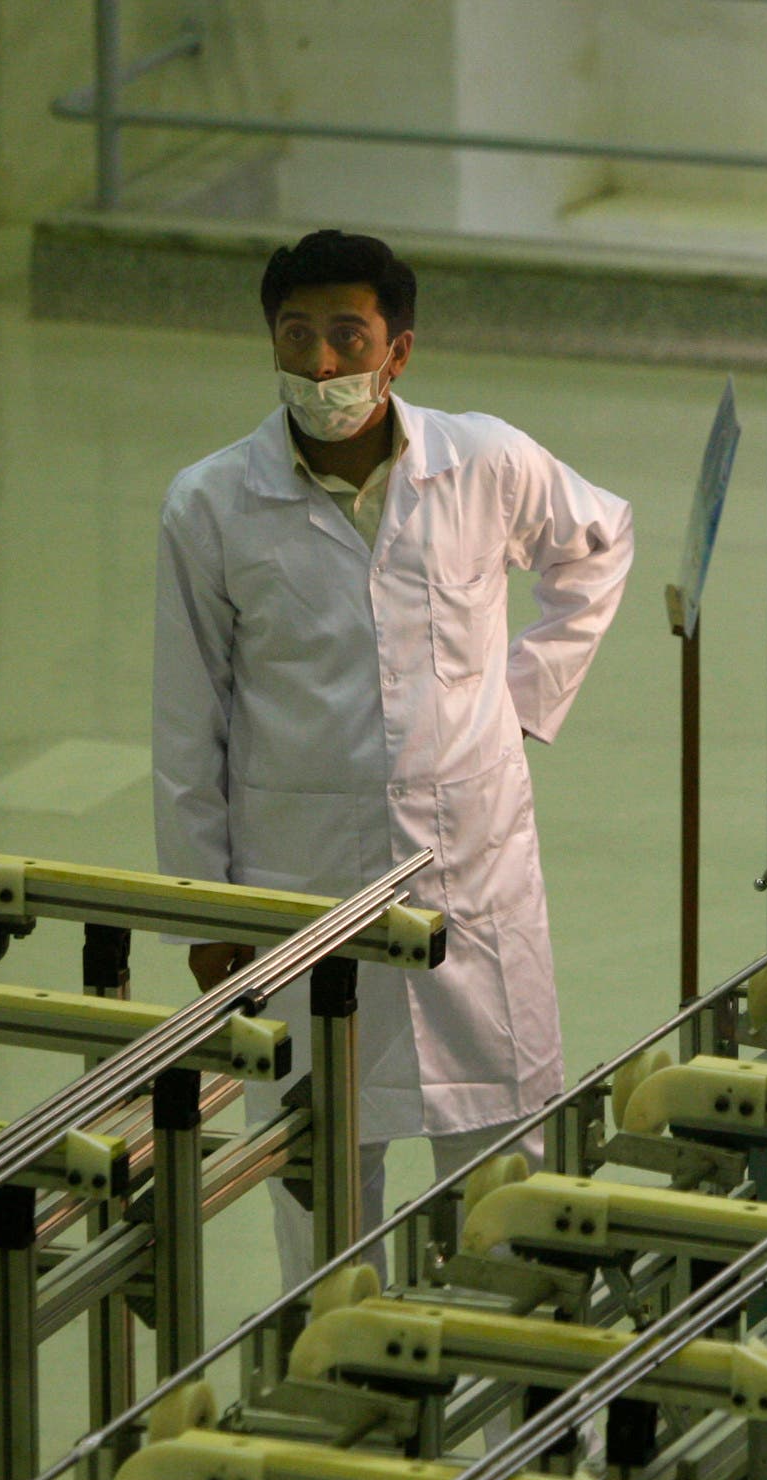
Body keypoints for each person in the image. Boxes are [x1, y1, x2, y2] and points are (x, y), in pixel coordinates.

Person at [155, 229, 633, 1287]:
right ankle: (332, 1405)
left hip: (471, 879)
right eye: (296, 336)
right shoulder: (211, 504)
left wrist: (514, 705)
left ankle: (535, 1412)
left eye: (346, 336)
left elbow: (598, 543)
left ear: (397, 350)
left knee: (511, 1179)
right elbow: (189, 726)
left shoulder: (483, 462)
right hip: (301, 892)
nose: (320, 365)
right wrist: (206, 914)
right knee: (321, 1182)